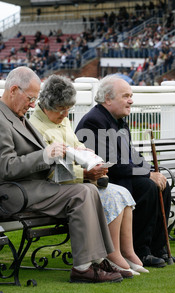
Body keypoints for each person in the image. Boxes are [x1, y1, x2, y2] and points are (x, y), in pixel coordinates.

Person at [0, 66, 123, 283]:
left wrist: (74, 154)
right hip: (8, 194)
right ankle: (83, 267)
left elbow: (42, 156)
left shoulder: (15, 116)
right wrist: (45, 155)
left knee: (89, 189)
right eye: (31, 98)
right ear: (14, 89)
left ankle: (99, 258)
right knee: (81, 193)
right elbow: (6, 168)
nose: (33, 104)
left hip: (29, 187)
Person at [29, 74, 148, 276]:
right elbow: (51, 171)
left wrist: (91, 157)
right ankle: (112, 254)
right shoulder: (36, 127)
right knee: (112, 195)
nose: (66, 115)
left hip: (77, 181)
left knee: (122, 194)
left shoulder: (60, 120)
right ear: (47, 105)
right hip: (59, 187)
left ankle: (126, 252)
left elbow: (77, 145)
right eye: (61, 110)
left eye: (69, 109)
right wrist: (84, 172)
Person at [75, 74, 175, 267]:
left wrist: (151, 171)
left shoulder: (119, 121)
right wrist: (148, 174)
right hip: (104, 182)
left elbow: (131, 156)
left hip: (122, 177)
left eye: (131, 95)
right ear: (108, 99)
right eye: (125, 96)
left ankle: (157, 249)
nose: (131, 100)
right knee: (148, 186)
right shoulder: (95, 121)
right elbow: (112, 163)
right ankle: (140, 252)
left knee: (161, 185)